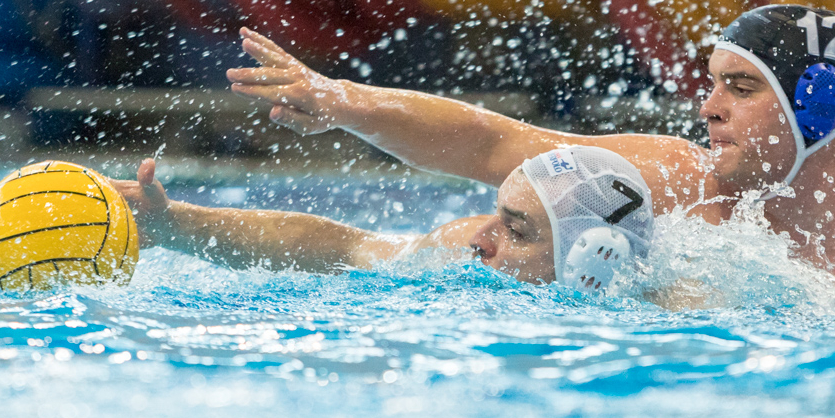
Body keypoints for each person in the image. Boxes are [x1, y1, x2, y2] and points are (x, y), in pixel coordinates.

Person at [220, 4, 835, 304]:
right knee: (403, 253)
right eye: (711, 84)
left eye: (740, 88)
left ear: (816, 105)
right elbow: (495, 143)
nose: (707, 107)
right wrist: (342, 100)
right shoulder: (677, 178)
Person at [112, 144, 655, 293]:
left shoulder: (666, 314)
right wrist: (178, 225)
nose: (479, 236)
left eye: (515, 230)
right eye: (496, 214)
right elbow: (345, 249)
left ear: (593, 260)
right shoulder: (457, 248)